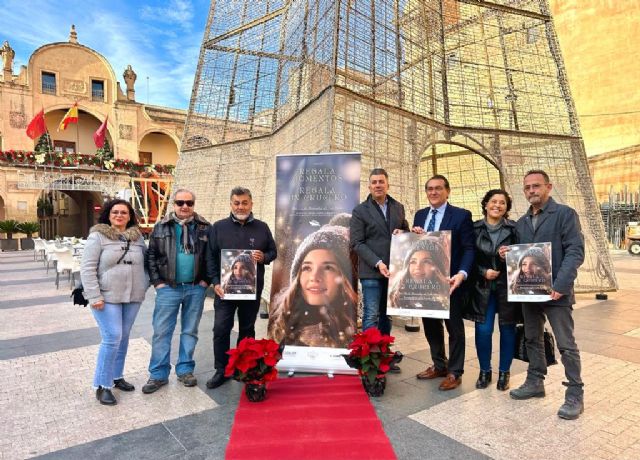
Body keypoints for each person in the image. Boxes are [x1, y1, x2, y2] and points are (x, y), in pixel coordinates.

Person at [507, 170, 585, 420]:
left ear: (548, 187)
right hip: (529, 292)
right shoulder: (521, 223)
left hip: (556, 293)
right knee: (532, 338)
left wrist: (561, 285)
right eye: (527, 187)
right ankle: (535, 381)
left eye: (536, 186)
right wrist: (506, 254)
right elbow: (520, 254)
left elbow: (575, 250)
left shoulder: (564, 214)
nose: (532, 190)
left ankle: (575, 393)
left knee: (566, 344)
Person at [206, 186, 277, 389]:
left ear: (251, 203)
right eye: (236, 203)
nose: (240, 206)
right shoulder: (218, 227)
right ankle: (222, 370)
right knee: (221, 329)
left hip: (251, 290)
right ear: (230, 204)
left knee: (247, 329)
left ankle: (244, 368)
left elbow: (273, 251)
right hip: (224, 290)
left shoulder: (262, 228)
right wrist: (215, 282)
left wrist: (264, 257)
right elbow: (210, 257)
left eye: (244, 202)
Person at [142, 188, 211, 394]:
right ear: (174, 204)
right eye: (180, 202)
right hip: (168, 288)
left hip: (195, 288)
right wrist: (157, 282)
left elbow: (211, 256)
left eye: (189, 203)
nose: (184, 207)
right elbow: (151, 256)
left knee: (190, 330)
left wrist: (205, 281)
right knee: (162, 332)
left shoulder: (205, 227)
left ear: (193, 205)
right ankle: (158, 374)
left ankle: (185, 370)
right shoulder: (161, 227)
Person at [81, 199, 148, 405]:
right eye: (115, 212)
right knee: (112, 337)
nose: (119, 215)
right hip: (106, 297)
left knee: (124, 337)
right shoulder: (97, 237)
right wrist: (94, 296)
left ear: (130, 217)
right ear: (108, 215)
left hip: (132, 297)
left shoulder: (137, 238)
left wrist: (144, 285)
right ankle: (102, 385)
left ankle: (117, 376)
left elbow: (146, 263)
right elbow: (87, 268)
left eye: (124, 213)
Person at [413, 174, 475, 391]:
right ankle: (439, 364)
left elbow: (469, 248)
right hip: (426, 282)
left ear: (447, 191)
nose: (433, 192)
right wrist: (414, 236)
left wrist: (462, 273)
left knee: (454, 329)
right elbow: (417, 246)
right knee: (430, 326)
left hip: (450, 282)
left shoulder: (461, 215)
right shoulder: (420, 215)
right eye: (429, 189)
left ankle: (454, 372)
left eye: (438, 188)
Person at [350, 168, 409, 371]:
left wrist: (403, 231)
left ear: (387, 184)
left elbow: (406, 231)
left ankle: (384, 356)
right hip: (372, 271)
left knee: (387, 315)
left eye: (381, 181)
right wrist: (378, 262)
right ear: (369, 186)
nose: (378, 185)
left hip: (393, 272)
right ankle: (368, 358)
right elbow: (357, 243)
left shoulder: (398, 207)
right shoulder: (360, 211)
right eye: (374, 182)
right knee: (371, 315)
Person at [464, 189, 519, 391]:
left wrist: (509, 257)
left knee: (507, 329)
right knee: (484, 330)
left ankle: (504, 372)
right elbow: (467, 255)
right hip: (482, 287)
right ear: (486, 205)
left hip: (507, 288)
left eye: (502, 203)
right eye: (493, 201)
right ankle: (484, 371)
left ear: (506, 207)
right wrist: (482, 271)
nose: (497, 205)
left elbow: (525, 256)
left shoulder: (514, 229)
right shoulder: (474, 228)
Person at [269, 225, 357, 348]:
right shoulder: (280, 322)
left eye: (328, 267)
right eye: (307, 268)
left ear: (344, 278)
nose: (314, 277)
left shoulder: (355, 325)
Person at [388, 235, 450, 309]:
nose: (418, 267)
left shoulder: (447, 292)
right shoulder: (398, 295)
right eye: (413, 262)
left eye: (426, 261)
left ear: (438, 267)